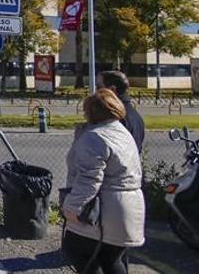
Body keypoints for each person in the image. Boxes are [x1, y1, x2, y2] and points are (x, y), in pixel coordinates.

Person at [62, 88, 145, 274]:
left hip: (105, 209)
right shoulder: (122, 132)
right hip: (130, 206)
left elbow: (89, 179)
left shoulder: (95, 137)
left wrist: (72, 207)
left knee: (77, 250)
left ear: (90, 112)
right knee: (111, 257)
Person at [97, 71, 145, 153]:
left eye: (98, 87)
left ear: (112, 89)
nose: (96, 91)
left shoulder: (114, 117)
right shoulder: (135, 115)